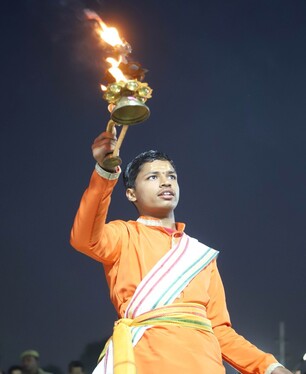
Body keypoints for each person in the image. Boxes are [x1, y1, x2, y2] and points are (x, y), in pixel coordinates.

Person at [70, 129, 292, 374]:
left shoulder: (200, 255)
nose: (166, 182)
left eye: (171, 176)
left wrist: (269, 366)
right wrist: (105, 171)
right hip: (148, 363)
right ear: (131, 193)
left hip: (206, 365)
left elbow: (220, 330)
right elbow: (84, 238)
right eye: (153, 177)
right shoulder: (124, 235)